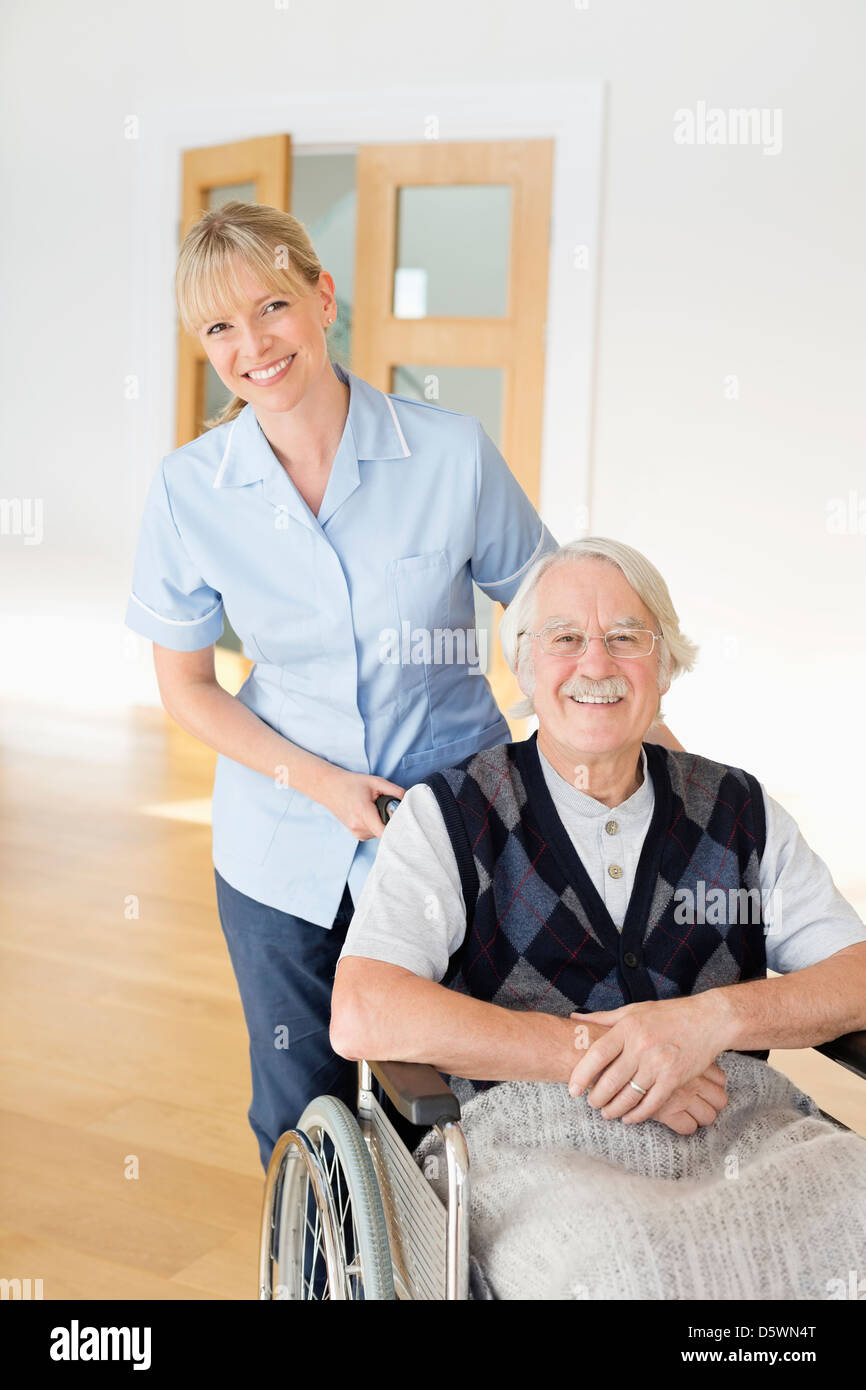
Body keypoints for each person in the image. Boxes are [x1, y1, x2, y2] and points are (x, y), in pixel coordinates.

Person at [124, 201, 683, 1173]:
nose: (252, 344)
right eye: (220, 327)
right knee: (299, 1111)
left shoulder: (448, 452)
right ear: (200, 343)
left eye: (271, 306)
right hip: (279, 837)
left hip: (456, 819)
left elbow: (553, 612)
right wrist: (319, 784)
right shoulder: (188, 489)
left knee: (457, 1092)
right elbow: (188, 686)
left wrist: (648, 746)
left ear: (321, 296)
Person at [331, 536, 866, 1300]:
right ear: (523, 666)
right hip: (532, 1145)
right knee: (629, 1271)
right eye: (566, 639)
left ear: (667, 664)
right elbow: (362, 1009)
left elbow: (857, 975)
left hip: (740, 1125)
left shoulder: (739, 811)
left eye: (625, 638)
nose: (596, 663)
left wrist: (703, 1024)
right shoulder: (452, 815)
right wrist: (596, 1050)